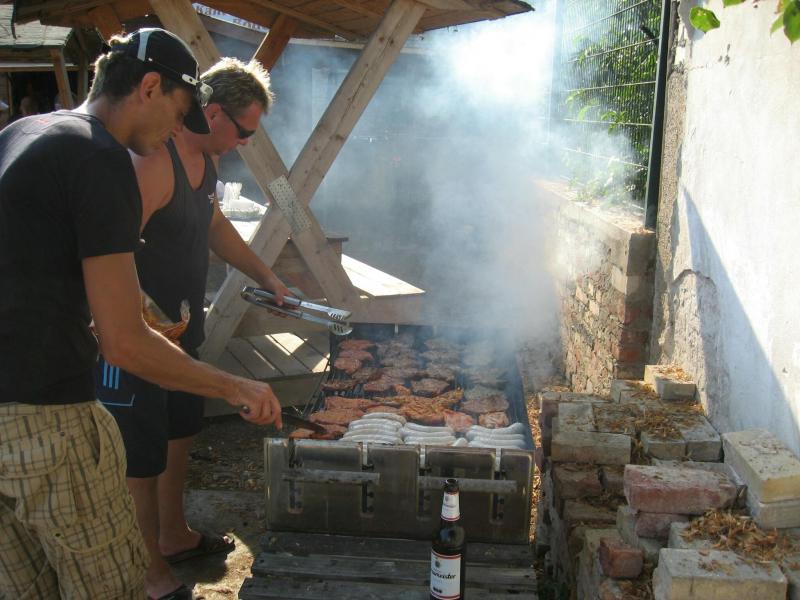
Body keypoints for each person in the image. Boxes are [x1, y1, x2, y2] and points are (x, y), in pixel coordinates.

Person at [0, 28, 282, 600]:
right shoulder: (102, 159)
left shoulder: (24, 132)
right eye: (179, 112)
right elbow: (124, 341)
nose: (178, 128)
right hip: (45, 415)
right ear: (150, 86)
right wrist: (235, 386)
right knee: (108, 583)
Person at [93, 56, 291, 599]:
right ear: (214, 112)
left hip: (181, 328)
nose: (247, 142)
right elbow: (109, 247)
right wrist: (139, 320)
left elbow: (214, 224)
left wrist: (267, 276)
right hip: (136, 338)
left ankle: (173, 534)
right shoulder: (153, 161)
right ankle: (149, 572)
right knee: (139, 455)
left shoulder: (206, 161)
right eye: (245, 131)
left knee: (181, 430)